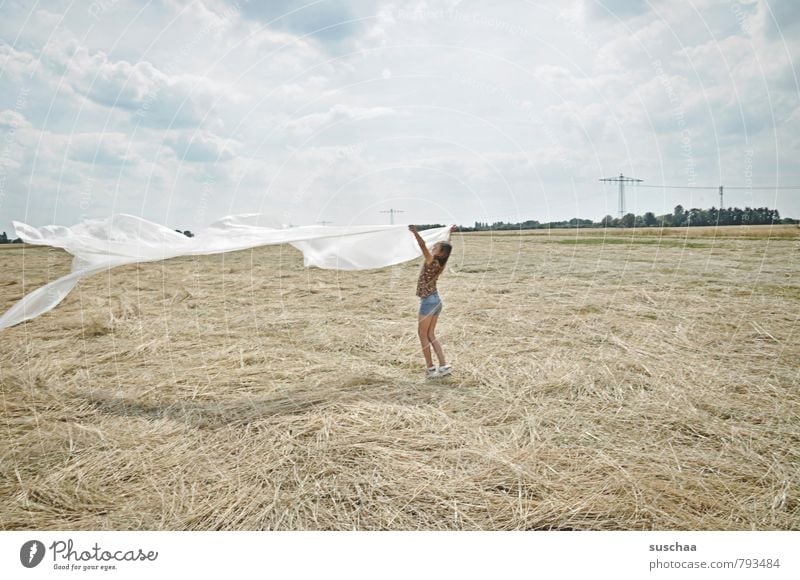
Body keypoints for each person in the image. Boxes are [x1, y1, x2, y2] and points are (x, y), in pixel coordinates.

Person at [408, 224, 457, 378]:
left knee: (422, 335)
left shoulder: (431, 261)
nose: (432, 247)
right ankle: (443, 365)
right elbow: (446, 247)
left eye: (435, 247)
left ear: (439, 253)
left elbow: (422, 245)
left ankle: (430, 368)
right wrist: (448, 233)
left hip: (428, 302)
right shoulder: (441, 262)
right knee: (431, 334)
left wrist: (415, 232)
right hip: (436, 301)